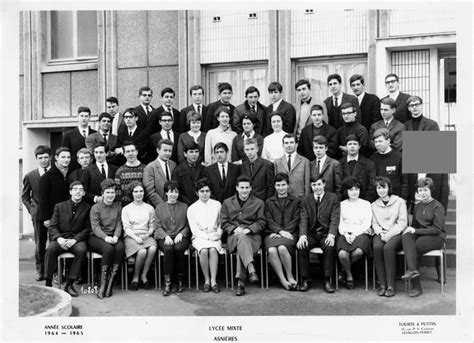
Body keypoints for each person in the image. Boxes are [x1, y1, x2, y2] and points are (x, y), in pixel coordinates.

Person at [44, 181, 91, 297]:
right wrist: (59, 239)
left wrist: (75, 240)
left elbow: (87, 228)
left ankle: (69, 284)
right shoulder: (59, 206)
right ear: (70, 192)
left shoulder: (87, 207)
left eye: (81, 189)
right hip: (61, 238)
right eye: (75, 189)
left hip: (77, 240)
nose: (78, 191)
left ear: (84, 193)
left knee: (81, 250)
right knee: (50, 249)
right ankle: (48, 283)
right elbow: (53, 226)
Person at [401, 177, 446, 297]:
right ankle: (412, 270)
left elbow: (437, 229)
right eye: (420, 190)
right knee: (406, 236)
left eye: (425, 190)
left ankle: (416, 286)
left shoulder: (438, 206)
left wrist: (415, 230)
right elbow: (414, 226)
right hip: (421, 235)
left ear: (431, 190)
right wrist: (412, 231)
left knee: (413, 248)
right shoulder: (417, 206)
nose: (423, 193)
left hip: (436, 237)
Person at [221, 176, 266, 296]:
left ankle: (241, 283)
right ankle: (251, 268)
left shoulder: (259, 203)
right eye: (242, 188)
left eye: (247, 187)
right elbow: (224, 223)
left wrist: (248, 229)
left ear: (251, 188)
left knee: (242, 242)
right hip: (234, 237)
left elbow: (261, 222)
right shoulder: (227, 202)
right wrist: (235, 229)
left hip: (252, 237)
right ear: (237, 188)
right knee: (241, 240)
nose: (244, 190)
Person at [297, 176, 340, 293]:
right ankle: (305, 279)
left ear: (324, 184)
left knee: (330, 246)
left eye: (319, 184)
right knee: (302, 246)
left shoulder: (333, 198)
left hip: (325, 233)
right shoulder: (306, 199)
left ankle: (327, 280)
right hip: (311, 233)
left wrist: (331, 235)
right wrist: (302, 236)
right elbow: (303, 218)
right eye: (314, 185)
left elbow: (334, 218)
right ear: (311, 186)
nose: (317, 187)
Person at [371, 177, 408, 297]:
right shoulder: (373, 205)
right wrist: (380, 233)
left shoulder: (400, 202)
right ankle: (382, 285)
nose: (381, 190)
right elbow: (374, 223)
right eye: (379, 188)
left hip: (396, 233)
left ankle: (391, 285)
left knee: (388, 248)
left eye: (384, 187)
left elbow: (402, 223)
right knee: (377, 247)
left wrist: (389, 234)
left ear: (389, 188)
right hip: (381, 233)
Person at [187, 178, 225, 293]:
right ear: (197, 193)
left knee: (213, 249)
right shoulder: (192, 208)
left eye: (207, 191)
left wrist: (219, 233)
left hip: (215, 235)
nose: (205, 193)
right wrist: (207, 237)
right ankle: (206, 280)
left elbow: (220, 223)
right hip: (200, 237)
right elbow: (194, 229)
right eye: (202, 191)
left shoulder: (217, 205)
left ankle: (214, 281)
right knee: (203, 250)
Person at [89, 179, 125, 299]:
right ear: (102, 193)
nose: (110, 195)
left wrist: (115, 236)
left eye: (112, 192)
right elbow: (95, 227)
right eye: (108, 192)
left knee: (120, 248)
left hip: (113, 236)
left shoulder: (118, 207)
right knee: (108, 249)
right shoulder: (95, 208)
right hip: (97, 237)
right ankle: (102, 284)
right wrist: (106, 238)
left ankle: (110, 283)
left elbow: (119, 224)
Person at [154, 181, 191, 296]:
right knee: (169, 249)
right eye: (171, 192)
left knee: (179, 249)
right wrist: (165, 236)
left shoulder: (185, 206)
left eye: (176, 192)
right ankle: (168, 282)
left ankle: (180, 280)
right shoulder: (159, 208)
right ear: (166, 193)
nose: (174, 194)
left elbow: (189, 224)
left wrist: (182, 233)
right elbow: (157, 226)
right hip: (164, 236)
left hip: (181, 235)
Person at [264, 173, 300, 290]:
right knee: (271, 249)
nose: (281, 188)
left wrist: (285, 232)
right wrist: (279, 231)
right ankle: (283, 280)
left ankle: (289, 276)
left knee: (282, 248)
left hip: (290, 234)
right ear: (274, 186)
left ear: (288, 185)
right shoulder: (269, 202)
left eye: (283, 185)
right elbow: (268, 219)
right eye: (278, 185)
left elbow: (296, 218)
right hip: (272, 233)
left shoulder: (295, 201)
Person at [337, 177, 373, 289]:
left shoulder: (366, 204)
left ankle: (343, 270)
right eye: (351, 189)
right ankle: (349, 276)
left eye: (356, 189)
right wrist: (346, 234)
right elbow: (340, 222)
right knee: (342, 254)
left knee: (358, 252)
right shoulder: (341, 204)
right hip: (345, 233)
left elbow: (367, 223)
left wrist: (355, 234)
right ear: (346, 191)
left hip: (361, 233)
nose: (354, 192)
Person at [22, 145, 51, 281]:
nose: (44, 160)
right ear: (36, 159)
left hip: (54, 215)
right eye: (40, 158)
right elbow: (25, 196)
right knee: (40, 244)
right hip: (38, 215)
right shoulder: (30, 176)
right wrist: (32, 210)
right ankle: (40, 271)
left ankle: (53, 271)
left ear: (50, 157)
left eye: (46, 157)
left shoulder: (55, 173)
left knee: (54, 243)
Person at [121, 181, 157, 291]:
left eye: (141, 191)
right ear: (131, 193)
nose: (139, 194)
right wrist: (136, 237)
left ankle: (144, 276)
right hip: (131, 236)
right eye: (136, 191)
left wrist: (148, 234)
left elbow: (152, 225)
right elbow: (126, 227)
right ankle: (135, 278)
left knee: (152, 248)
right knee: (142, 251)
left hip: (146, 235)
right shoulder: (126, 209)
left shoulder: (149, 208)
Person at [38, 147, 72, 229]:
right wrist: (46, 218)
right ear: (56, 158)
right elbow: (43, 199)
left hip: (70, 214)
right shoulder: (46, 177)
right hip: (54, 215)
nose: (66, 160)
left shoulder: (72, 173)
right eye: (63, 157)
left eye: (68, 157)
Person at [371, 128, 408, 200]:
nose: (377, 144)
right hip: (378, 199)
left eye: (380, 141)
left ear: (388, 141)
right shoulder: (372, 159)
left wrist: (404, 198)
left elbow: (405, 180)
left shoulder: (400, 157)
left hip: (396, 198)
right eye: (375, 142)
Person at [339, 135, 377, 202]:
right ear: (346, 146)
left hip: (363, 201)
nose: (352, 146)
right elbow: (338, 185)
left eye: (355, 144)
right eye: (350, 144)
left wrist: (365, 202)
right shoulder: (339, 164)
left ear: (359, 146)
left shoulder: (369, 163)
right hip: (344, 202)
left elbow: (372, 185)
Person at [274, 134, 311, 198]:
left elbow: (307, 184)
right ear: (283, 145)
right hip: (282, 198)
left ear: (296, 144)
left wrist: (306, 200)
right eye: (286, 143)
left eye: (291, 142)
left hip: (299, 198)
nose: (289, 145)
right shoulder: (277, 162)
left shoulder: (305, 161)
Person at [143, 139, 177, 207]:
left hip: (173, 204)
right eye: (165, 150)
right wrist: (162, 207)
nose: (167, 153)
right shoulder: (150, 167)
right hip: (157, 207)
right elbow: (150, 191)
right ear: (158, 150)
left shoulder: (173, 165)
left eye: (170, 151)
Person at [61, 106, 96, 171]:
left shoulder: (95, 134)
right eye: (81, 116)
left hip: (93, 170)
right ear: (77, 116)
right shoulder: (68, 135)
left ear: (89, 117)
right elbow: (65, 154)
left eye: (86, 116)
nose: (84, 118)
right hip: (74, 170)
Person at [114, 141, 146, 206]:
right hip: (126, 208)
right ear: (124, 154)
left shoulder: (145, 169)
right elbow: (118, 194)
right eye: (128, 151)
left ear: (137, 152)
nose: (131, 153)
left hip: (143, 206)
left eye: (132, 151)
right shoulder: (120, 172)